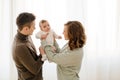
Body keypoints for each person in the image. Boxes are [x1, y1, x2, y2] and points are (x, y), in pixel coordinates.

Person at [12, 12, 44, 80]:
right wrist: (42, 54)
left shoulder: (27, 36)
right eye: (33, 26)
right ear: (26, 29)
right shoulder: (20, 47)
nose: (35, 28)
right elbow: (35, 69)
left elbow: (33, 59)